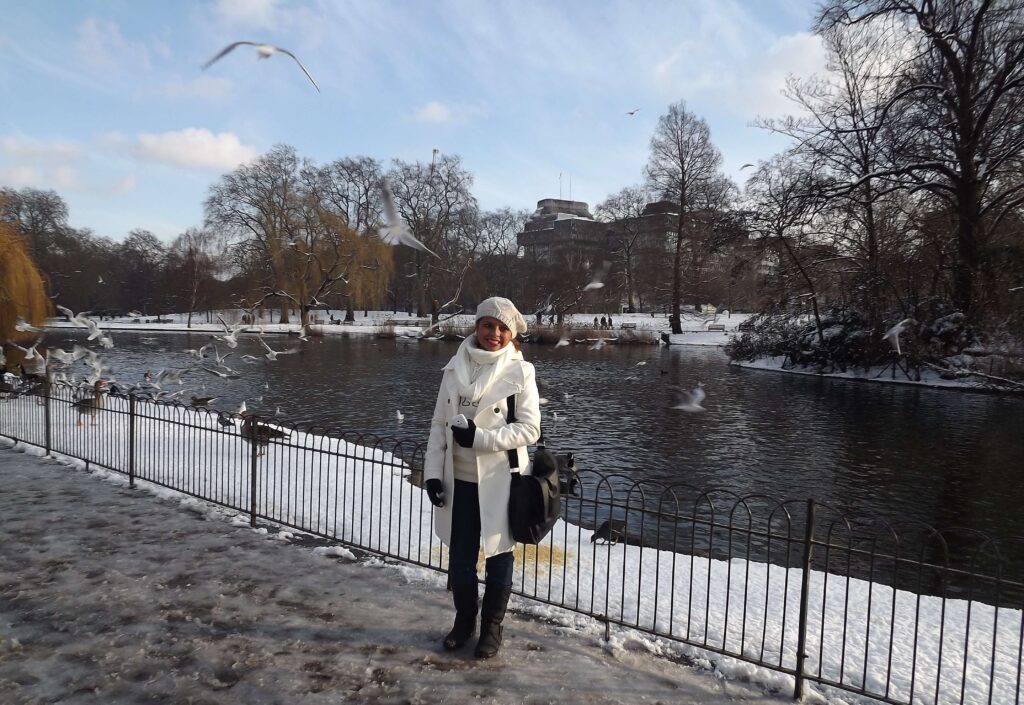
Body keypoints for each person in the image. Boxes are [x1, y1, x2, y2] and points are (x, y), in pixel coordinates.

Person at [422, 297, 541, 659]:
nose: (495, 334)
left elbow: (530, 429)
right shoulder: (453, 369)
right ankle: (464, 621)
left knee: (498, 556)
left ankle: (492, 628)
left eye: (503, 328)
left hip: (499, 482)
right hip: (458, 482)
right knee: (460, 559)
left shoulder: (521, 372)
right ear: (477, 326)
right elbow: (439, 426)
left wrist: (482, 438)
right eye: (489, 325)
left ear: (512, 333)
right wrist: (431, 474)